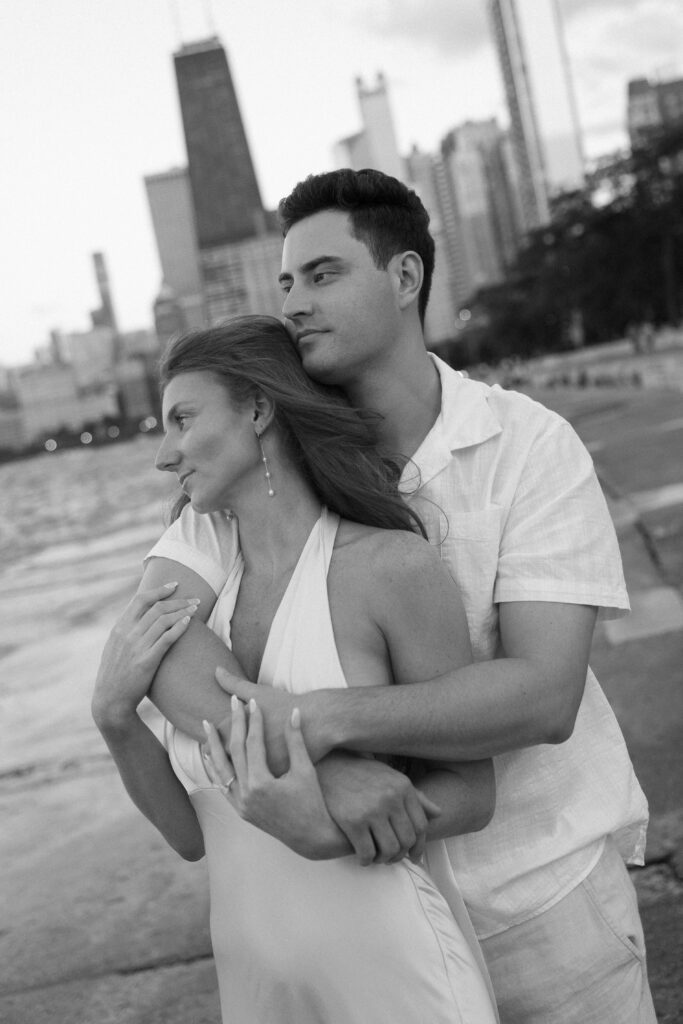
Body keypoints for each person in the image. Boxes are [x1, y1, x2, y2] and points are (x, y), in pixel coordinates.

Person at [146, 169, 655, 1024]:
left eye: (322, 274)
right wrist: (331, 781)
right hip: (373, 921)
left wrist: (318, 728)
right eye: (286, 282)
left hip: (540, 903)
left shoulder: (525, 445)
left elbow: (542, 696)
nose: (294, 301)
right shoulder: (266, 461)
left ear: (406, 277)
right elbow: (162, 638)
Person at [92, 315, 500, 1024]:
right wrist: (114, 721)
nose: (164, 454)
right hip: (256, 986)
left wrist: (331, 825)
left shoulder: (388, 568)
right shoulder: (197, 595)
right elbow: (195, 839)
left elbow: (471, 793)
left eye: (182, 419)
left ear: (257, 408)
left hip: (394, 973)